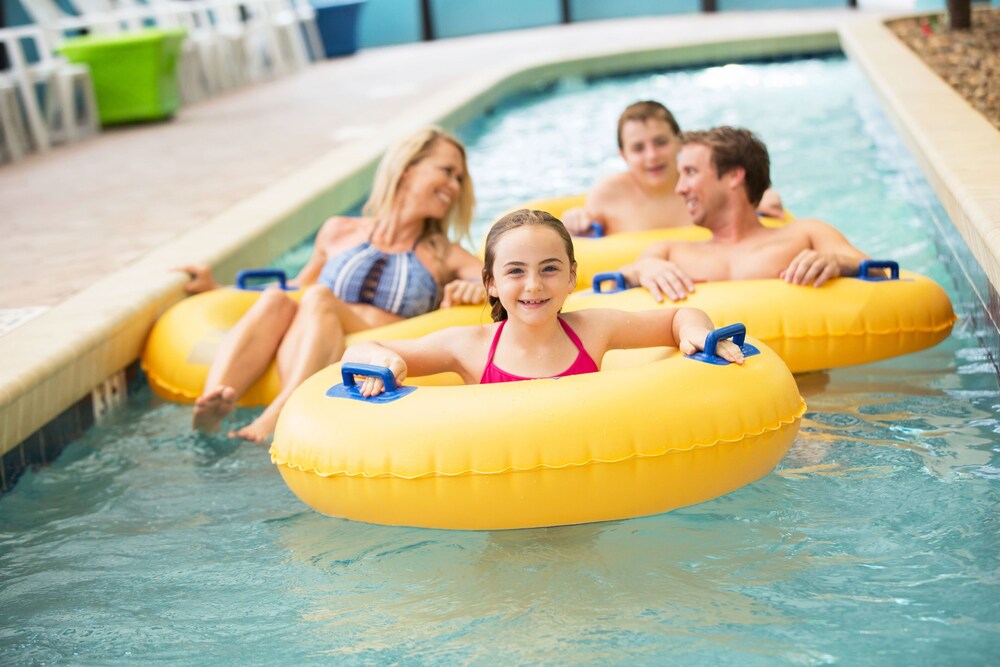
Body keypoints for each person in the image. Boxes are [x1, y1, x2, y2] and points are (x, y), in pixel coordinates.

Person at [188, 127, 486, 441]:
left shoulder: (446, 254)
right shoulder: (338, 230)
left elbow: (495, 281)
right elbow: (298, 286)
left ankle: (278, 416)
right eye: (447, 171)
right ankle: (214, 402)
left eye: (459, 179)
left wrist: (475, 287)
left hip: (377, 344)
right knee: (277, 299)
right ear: (408, 168)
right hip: (316, 337)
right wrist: (217, 290)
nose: (455, 186)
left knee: (319, 298)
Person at [342, 209, 743, 397]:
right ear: (491, 283)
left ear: (571, 277)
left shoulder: (594, 329)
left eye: (549, 269)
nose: (533, 285)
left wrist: (694, 331)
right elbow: (358, 349)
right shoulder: (468, 347)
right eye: (515, 271)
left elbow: (680, 316)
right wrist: (382, 360)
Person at [619, 126, 871, 303]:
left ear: (733, 176)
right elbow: (612, 284)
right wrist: (643, 270)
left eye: (690, 172)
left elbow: (882, 274)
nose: (680, 188)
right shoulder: (668, 253)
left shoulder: (806, 235)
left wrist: (838, 262)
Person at [561, 101, 784, 235]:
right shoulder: (608, 193)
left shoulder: (704, 183)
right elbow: (581, 237)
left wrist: (755, 198)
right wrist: (576, 219)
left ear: (679, 142)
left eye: (661, 142)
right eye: (638, 148)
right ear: (624, 155)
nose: (652, 156)